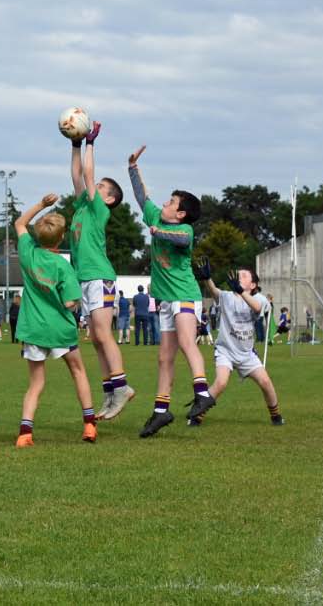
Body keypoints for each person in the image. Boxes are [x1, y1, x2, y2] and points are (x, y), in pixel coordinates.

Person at [128, 145, 212, 438]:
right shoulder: (156, 217)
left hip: (185, 296)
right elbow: (142, 198)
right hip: (165, 301)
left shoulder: (185, 231)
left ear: (181, 213)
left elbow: (176, 239)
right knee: (164, 358)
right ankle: (161, 412)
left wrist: (157, 231)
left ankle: (203, 392)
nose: (165, 202)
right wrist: (133, 168)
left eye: (171, 201)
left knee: (188, 343)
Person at [13, 194, 98, 446]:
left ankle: (25, 433)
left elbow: (19, 223)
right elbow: (71, 302)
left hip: (33, 329)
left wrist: (41, 205)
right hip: (61, 329)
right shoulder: (63, 266)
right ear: (61, 238)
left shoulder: (27, 251)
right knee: (78, 372)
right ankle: (90, 426)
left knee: (36, 383)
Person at [67, 121, 132, 420]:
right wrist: (75, 145)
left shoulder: (99, 209)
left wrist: (92, 143)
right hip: (84, 278)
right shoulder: (82, 205)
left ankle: (122, 388)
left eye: (101, 188)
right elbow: (78, 176)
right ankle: (110, 392)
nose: (94, 187)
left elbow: (88, 176)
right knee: (94, 338)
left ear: (109, 200)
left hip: (100, 277)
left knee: (104, 335)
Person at [198, 264, 284, 426]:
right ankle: (197, 416)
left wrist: (241, 292)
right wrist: (207, 279)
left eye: (244, 276)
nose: (240, 276)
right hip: (225, 351)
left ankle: (276, 415)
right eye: (239, 274)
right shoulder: (227, 296)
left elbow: (257, 308)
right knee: (221, 382)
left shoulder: (259, 299)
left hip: (246, 354)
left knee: (265, 382)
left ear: (253, 285)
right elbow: (214, 291)